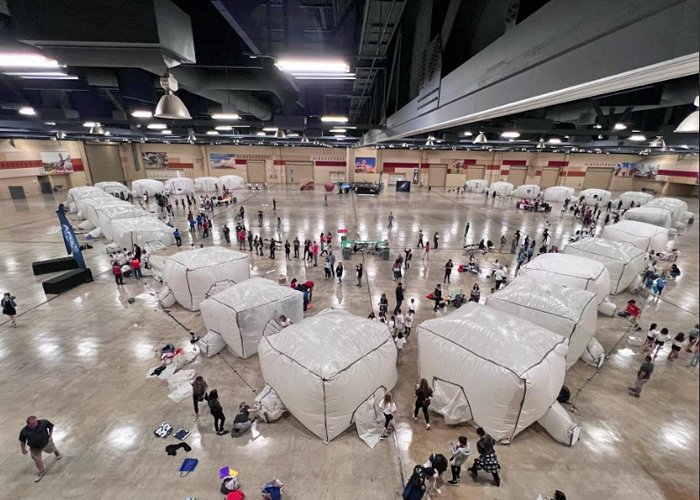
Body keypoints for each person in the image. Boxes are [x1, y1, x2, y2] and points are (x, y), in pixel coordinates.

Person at [19, 416, 62, 482]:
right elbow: (22, 440)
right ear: (28, 424)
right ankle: (42, 471)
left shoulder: (43, 422)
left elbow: (51, 427)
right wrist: (23, 449)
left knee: (52, 449)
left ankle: (57, 452)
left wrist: (50, 436)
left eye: (36, 422)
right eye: (33, 423)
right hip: (34, 448)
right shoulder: (24, 431)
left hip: (46, 443)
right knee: (37, 459)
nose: (35, 424)